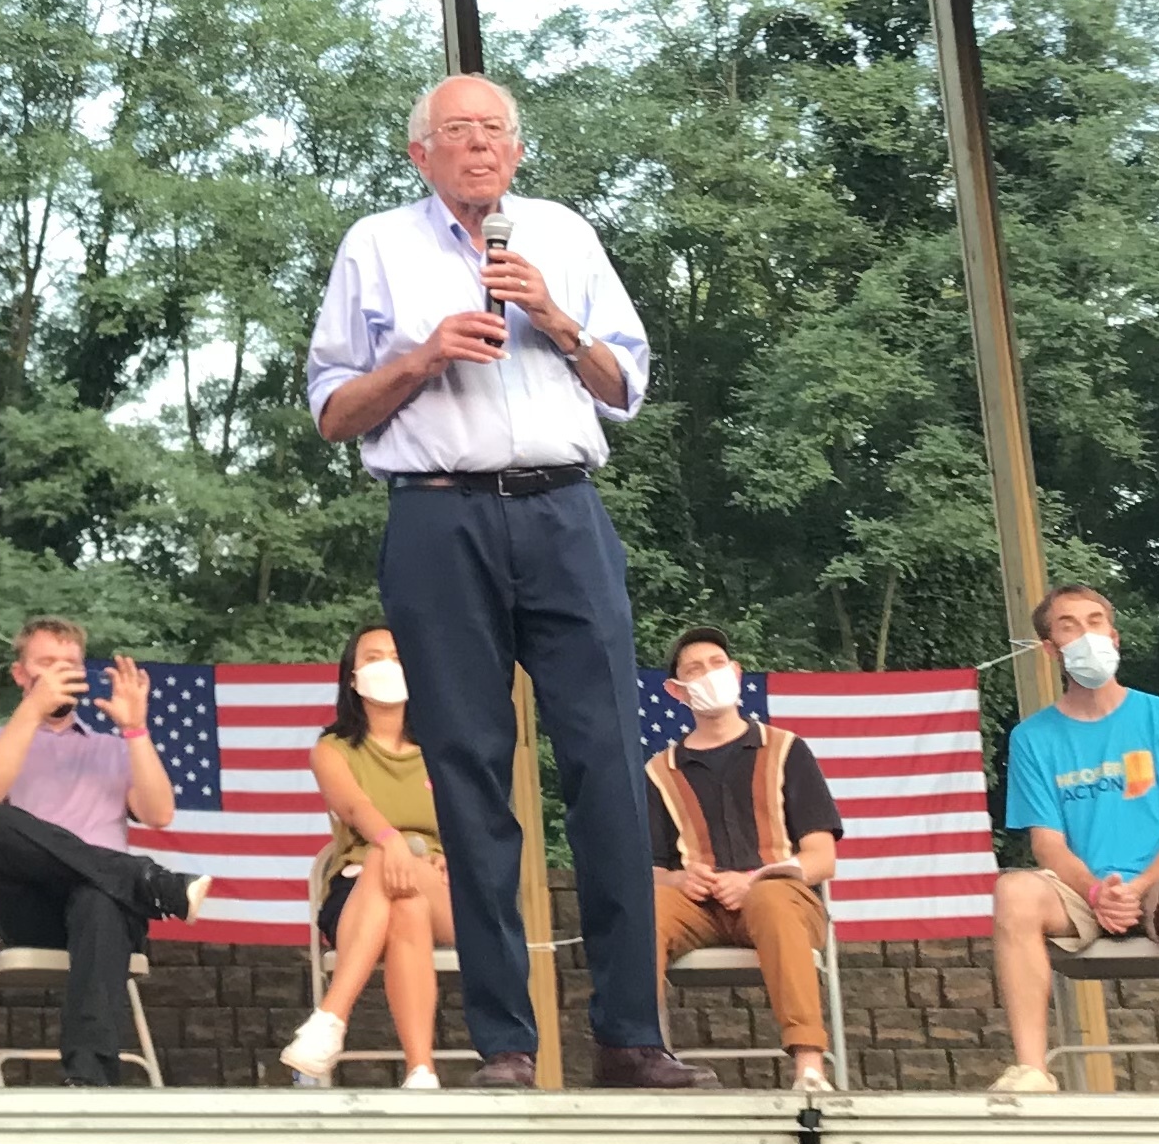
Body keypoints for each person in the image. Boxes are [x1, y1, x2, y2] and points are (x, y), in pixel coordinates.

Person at [306, 72, 713, 1090]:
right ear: (420, 154)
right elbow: (330, 411)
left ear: (518, 151)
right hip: (437, 515)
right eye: (458, 131)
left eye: (496, 130)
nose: (480, 146)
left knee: (606, 765)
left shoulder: (565, 237)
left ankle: (630, 1034)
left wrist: (560, 323)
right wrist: (420, 357)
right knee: (471, 776)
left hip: (564, 509)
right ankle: (503, 1044)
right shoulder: (376, 245)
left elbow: (628, 387)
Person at [989, 583, 1159, 1095]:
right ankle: (1032, 1069)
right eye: (1068, 625)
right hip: (1081, 894)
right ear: (1050, 649)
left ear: (1115, 635)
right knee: (1012, 891)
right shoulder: (1032, 738)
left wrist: (1135, 889)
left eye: (1094, 621)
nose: (1085, 635)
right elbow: (1047, 845)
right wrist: (1095, 893)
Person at [0, 617, 213, 1086]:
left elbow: (159, 813)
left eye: (70, 664)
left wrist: (136, 729)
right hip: (34, 914)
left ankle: (89, 1080)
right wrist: (32, 711)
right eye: (46, 663)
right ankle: (146, 881)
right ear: (20, 675)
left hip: (105, 918)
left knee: (99, 896)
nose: (59, 672)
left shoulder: (111, 748)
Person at [647, 626, 843, 1092]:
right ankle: (645, 1053)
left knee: (773, 901)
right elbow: (647, 866)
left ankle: (810, 1067)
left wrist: (756, 879)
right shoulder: (658, 771)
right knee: (641, 911)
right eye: (694, 670)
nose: (709, 675)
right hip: (697, 906)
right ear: (676, 692)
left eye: (717, 664)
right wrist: (677, 882)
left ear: (736, 673)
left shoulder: (787, 750)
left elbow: (821, 856)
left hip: (781, 899)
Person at [280, 622, 454, 1089]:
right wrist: (392, 841)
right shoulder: (332, 749)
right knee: (402, 899)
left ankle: (331, 1019)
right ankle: (422, 1071)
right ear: (352, 678)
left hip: (445, 888)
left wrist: (443, 857)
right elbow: (355, 807)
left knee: (392, 866)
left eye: (397, 657)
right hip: (357, 891)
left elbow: (470, 824)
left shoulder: (442, 749)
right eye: (372, 658)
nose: (386, 667)